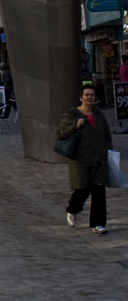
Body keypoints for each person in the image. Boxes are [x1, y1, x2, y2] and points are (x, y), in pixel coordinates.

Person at [57, 84, 112, 233]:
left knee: (99, 192)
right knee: (82, 189)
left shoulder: (99, 115)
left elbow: (107, 135)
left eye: (92, 95)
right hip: (80, 159)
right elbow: (61, 132)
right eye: (87, 95)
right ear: (81, 97)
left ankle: (98, 224)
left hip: (99, 159)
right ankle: (72, 209)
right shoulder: (72, 114)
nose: (89, 98)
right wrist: (75, 125)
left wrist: (107, 151)